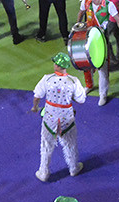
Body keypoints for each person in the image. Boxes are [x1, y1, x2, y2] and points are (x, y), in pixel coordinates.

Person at [32, 52, 87, 181]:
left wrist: (35, 107)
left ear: (56, 65)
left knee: (46, 145)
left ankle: (44, 172)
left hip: (50, 116)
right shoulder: (74, 81)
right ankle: (73, 168)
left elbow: (37, 96)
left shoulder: (47, 79)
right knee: (70, 144)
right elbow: (81, 99)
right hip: (66, 117)